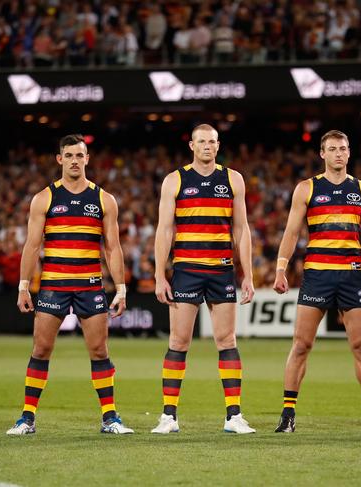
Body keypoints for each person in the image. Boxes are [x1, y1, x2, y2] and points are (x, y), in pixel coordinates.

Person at [6, 134, 133, 435]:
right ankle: (27, 418)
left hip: (90, 285)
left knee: (99, 350)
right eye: (69, 155)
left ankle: (110, 418)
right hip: (53, 285)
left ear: (87, 159)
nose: (75, 160)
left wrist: (121, 288)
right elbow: (32, 246)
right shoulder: (44, 198)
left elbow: (113, 248)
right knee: (41, 348)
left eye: (80, 155)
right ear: (59, 159)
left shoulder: (104, 199)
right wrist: (24, 286)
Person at [272, 129, 361, 434]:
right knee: (301, 345)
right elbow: (291, 233)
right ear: (322, 154)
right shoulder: (306, 189)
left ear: (349, 153)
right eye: (333, 149)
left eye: (343, 148)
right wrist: (280, 269)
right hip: (317, 275)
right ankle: (287, 415)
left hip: (351, 275)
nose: (339, 153)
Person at [152, 124, 256, 434]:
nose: (207, 146)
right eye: (202, 142)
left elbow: (241, 229)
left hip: (221, 269)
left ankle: (233, 416)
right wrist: (159, 274)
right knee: (178, 341)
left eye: (212, 141)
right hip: (186, 270)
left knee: (227, 340)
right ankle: (168, 416)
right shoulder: (175, 180)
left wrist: (247, 274)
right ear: (191, 145)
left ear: (218, 144)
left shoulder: (233, 179)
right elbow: (164, 229)